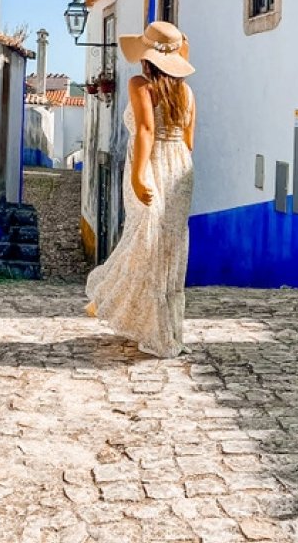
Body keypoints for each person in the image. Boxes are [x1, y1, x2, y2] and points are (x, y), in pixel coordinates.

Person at [84, 20, 196, 358]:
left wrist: (137, 175)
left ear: (146, 58)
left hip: (151, 164)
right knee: (170, 245)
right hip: (181, 166)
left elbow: (146, 129)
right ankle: (167, 330)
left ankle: (114, 300)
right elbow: (189, 139)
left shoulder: (139, 85)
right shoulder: (187, 92)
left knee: (143, 238)